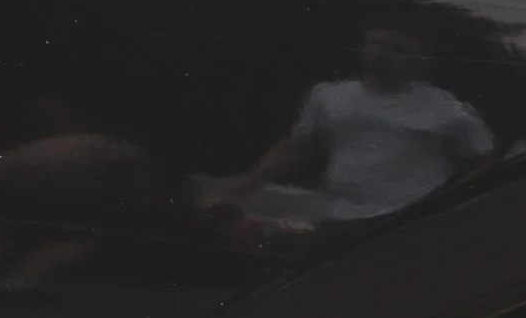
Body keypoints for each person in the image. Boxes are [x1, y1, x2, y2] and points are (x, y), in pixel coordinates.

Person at [201, 21, 493, 231]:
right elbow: (294, 150)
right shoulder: (329, 96)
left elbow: (483, 162)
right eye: (375, 43)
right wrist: (239, 188)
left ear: (421, 61)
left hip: (405, 221)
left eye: (397, 49)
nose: (382, 54)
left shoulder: (448, 109)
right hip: (336, 213)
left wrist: (446, 210)